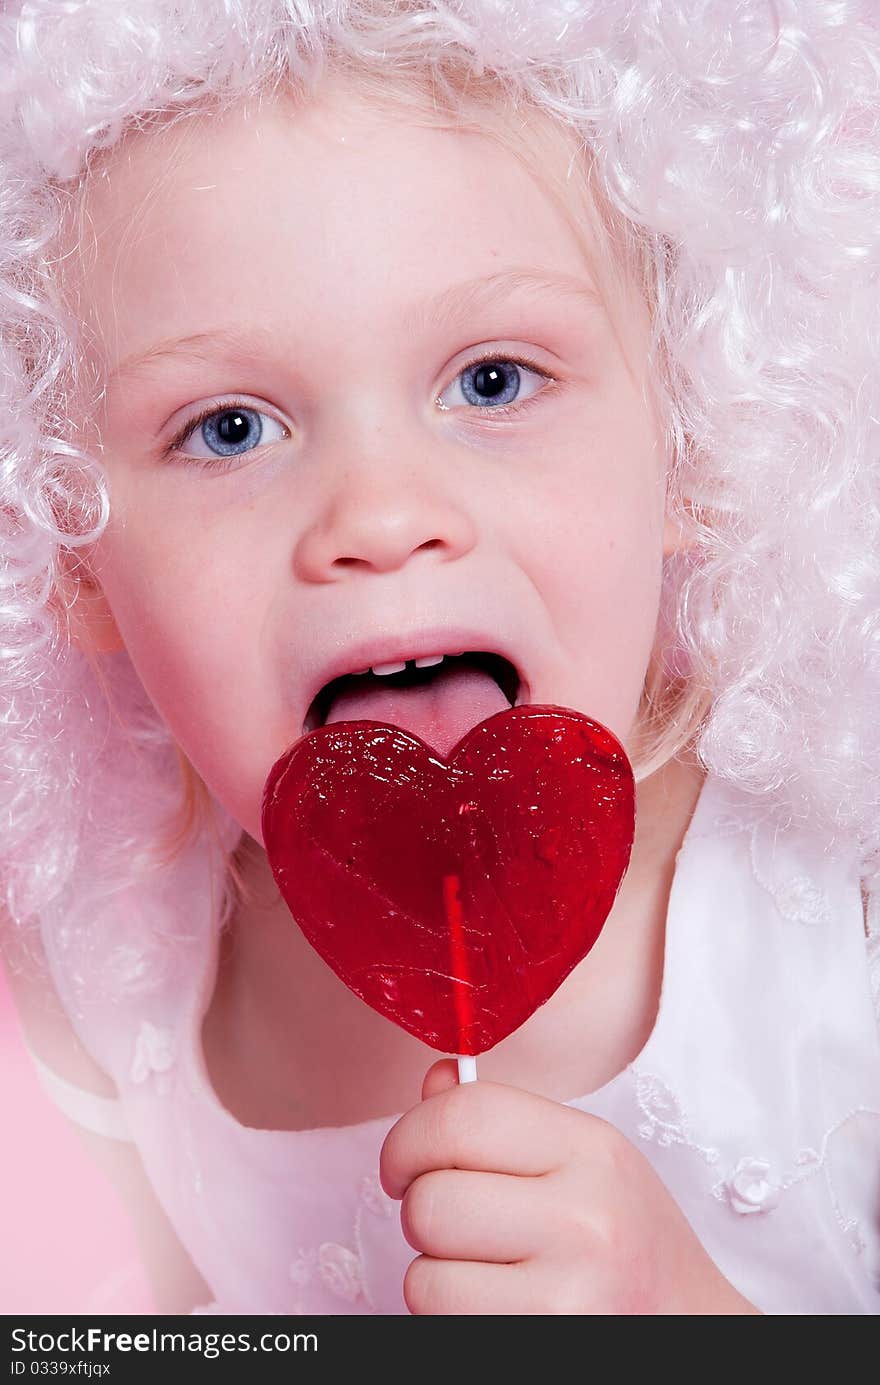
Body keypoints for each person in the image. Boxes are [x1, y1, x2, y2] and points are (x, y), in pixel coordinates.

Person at [1, 0, 878, 1316]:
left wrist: (682, 1310)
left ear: (694, 437)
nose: (380, 514)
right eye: (231, 427)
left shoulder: (830, 912)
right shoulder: (115, 986)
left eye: (491, 382)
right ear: (69, 549)